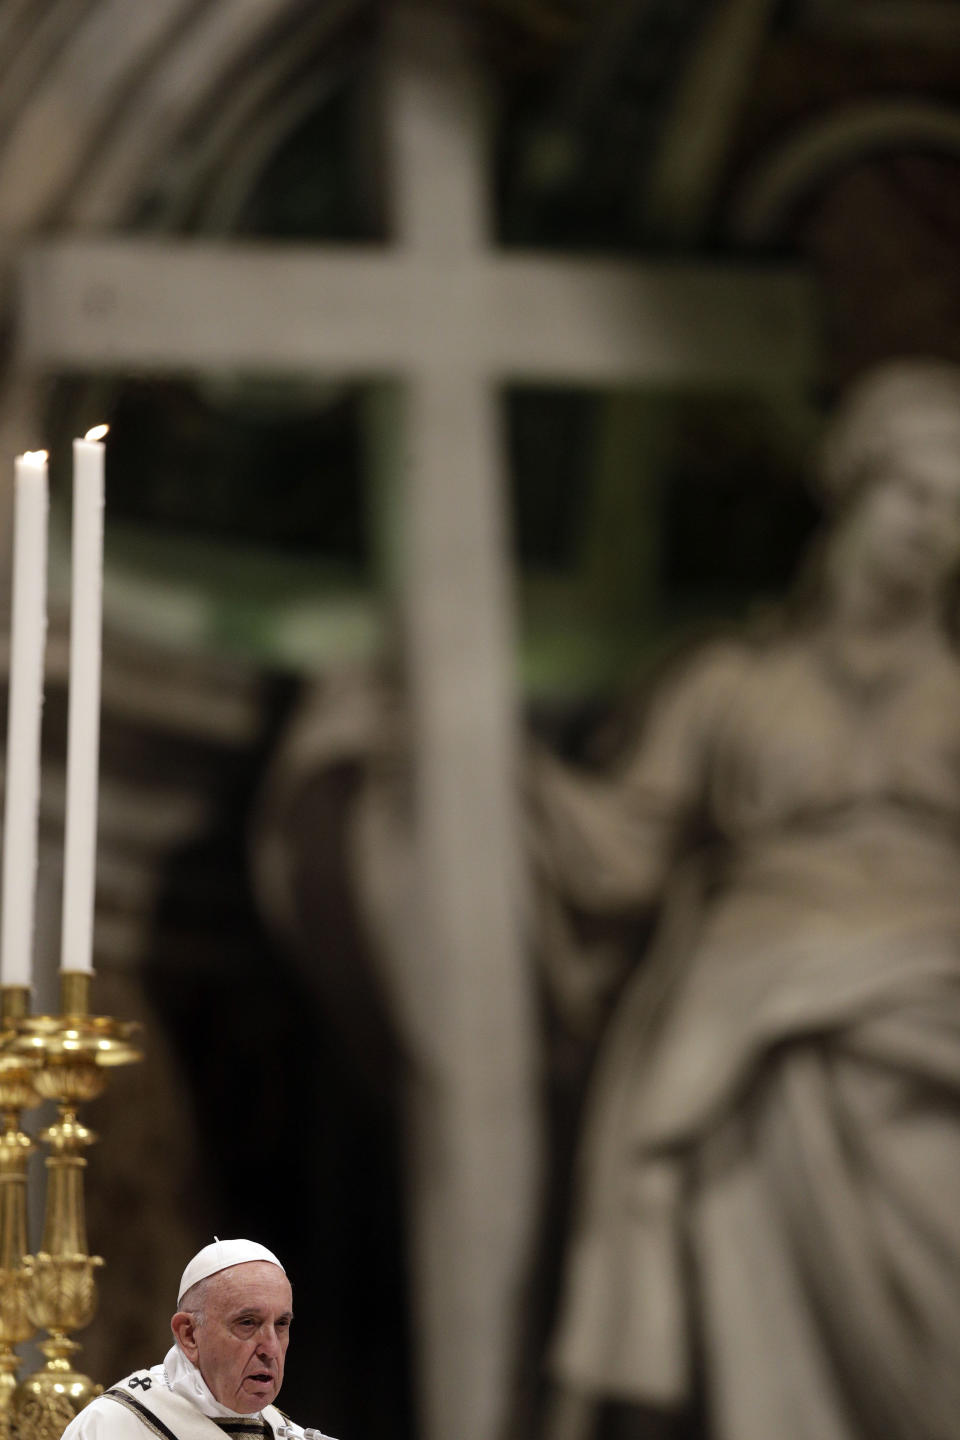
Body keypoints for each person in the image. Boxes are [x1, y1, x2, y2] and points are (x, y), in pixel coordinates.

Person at [532, 359, 960, 1440]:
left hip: (934, 994)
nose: (933, 529)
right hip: (748, 1001)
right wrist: (497, 766)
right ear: (854, 491)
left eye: (959, 511)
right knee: (718, 1129)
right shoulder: (730, 682)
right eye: (915, 492)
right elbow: (623, 852)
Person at [61, 1238, 333, 1440]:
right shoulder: (110, 1428)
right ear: (188, 1335)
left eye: (281, 1324)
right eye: (248, 1323)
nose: (271, 1348)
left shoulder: (289, 1434)